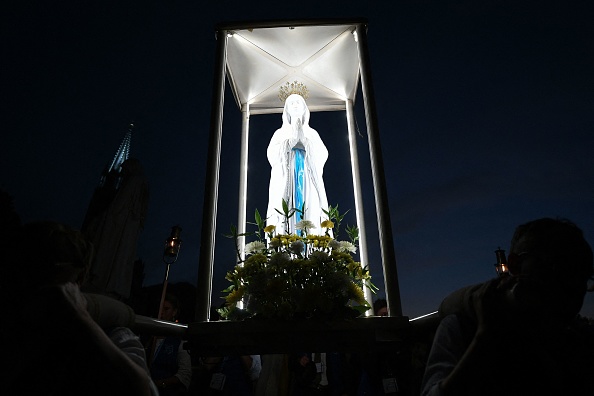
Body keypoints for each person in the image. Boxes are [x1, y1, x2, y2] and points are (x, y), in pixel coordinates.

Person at [421, 218, 594, 395]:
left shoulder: (577, 338)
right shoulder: (462, 328)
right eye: (560, 267)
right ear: (515, 265)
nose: (574, 286)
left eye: (583, 275)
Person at [1, 221, 158, 396]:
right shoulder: (14, 321)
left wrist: (82, 320)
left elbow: (142, 389)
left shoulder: (114, 334)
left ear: (77, 280)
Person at [266, 91, 330, 234]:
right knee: (286, 209)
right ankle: (286, 249)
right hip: (287, 180)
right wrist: (288, 144)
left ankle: (313, 248)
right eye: (291, 103)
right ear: (286, 109)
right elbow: (271, 155)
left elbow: (323, 154)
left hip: (307, 179)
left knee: (311, 209)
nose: (295, 105)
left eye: (298, 102)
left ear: (304, 107)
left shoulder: (312, 133)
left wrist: (306, 144)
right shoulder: (280, 133)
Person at [149, 293, 192, 395]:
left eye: (166, 309)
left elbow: (185, 373)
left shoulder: (179, 341)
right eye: (160, 308)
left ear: (174, 312)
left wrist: (160, 383)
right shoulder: (147, 336)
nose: (161, 313)